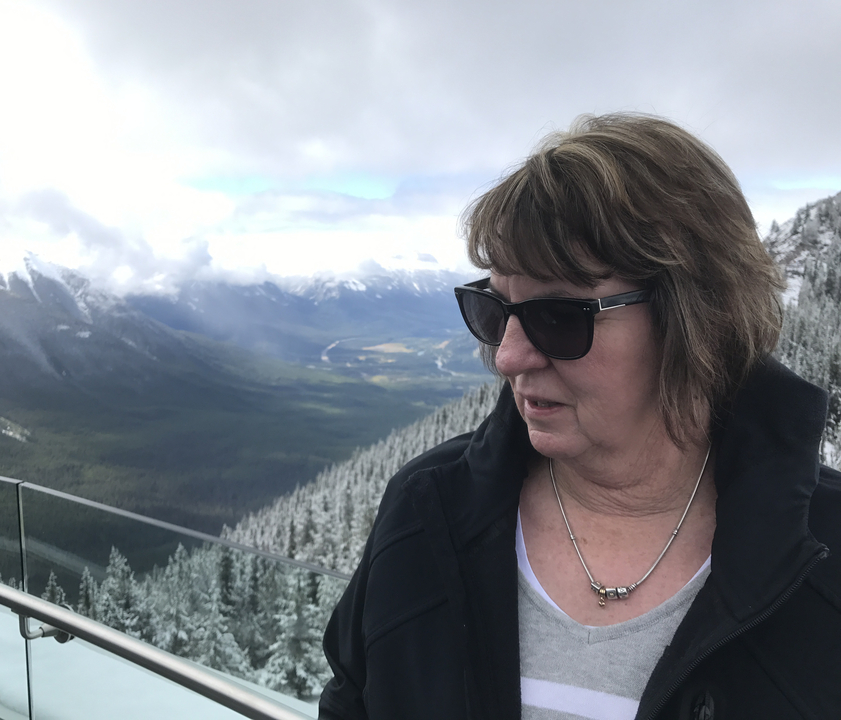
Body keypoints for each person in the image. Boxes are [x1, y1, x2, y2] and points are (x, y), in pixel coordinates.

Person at [318, 114, 841, 720]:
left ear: (701, 318)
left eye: (560, 315)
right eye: (493, 309)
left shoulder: (827, 556)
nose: (508, 355)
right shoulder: (427, 508)